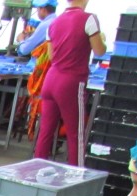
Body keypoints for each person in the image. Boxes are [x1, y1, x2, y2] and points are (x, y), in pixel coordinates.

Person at [33, 0, 105, 166]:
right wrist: (102, 39)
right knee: (76, 134)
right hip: (71, 81)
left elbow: (51, 56)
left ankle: (35, 169)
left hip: (51, 79)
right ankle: (76, 176)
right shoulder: (89, 19)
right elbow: (99, 51)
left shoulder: (54, 22)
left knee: (45, 131)